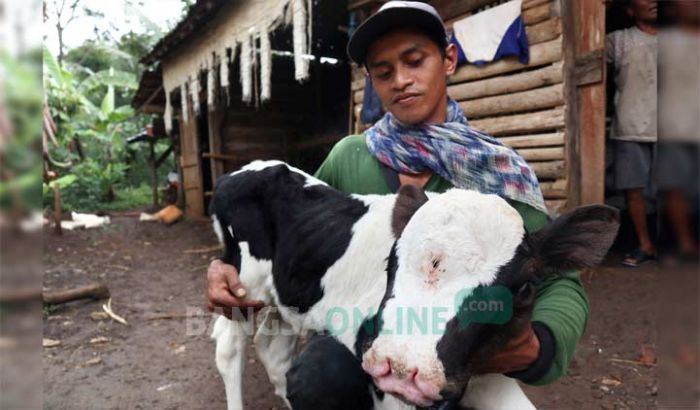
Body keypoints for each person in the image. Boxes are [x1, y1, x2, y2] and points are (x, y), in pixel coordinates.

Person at [207, 2, 589, 407]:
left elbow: (557, 280)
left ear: (449, 60)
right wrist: (225, 266)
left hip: (461, 346)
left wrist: (539, 346)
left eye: (414, 60)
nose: (401, 80)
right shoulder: (351, 157)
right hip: (366, 338)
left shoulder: (499, 173)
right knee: (321, 376)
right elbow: (297, 227)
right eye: (384, 72)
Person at [606, 0, 658, 267]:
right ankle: (645, 244)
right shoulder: (619, 40)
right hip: (631, 125)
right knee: (634, 190)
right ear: (629, 10)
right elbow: (586, 58)